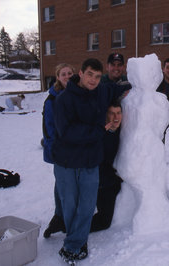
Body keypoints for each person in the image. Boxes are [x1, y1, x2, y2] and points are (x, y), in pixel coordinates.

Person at [52, 58, 126, 264]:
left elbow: (115, 88)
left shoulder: (102, 90)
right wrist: (98, 130)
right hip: (67, 161)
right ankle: (75, 242)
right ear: (81, 74)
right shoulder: (65, 99)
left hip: (91, 160)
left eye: (97, 76)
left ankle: (74, 243)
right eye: (90, 75)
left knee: (86, 206)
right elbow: (65, 132)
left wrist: (134, 87)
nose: (93, 80)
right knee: (71, 205)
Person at [43, 63, 75, 238]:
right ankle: (60, 217)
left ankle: (63, 215)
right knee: (63, 185)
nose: (68, 76)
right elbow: (49, 128)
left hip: (76, 149)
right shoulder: (52, 100)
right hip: (61, 151)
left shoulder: (77, 93)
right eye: (64, 74)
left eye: (70, 73)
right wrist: (55, 150)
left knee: (67, 185)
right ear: (57, 77)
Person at [90, 101, 123, 232]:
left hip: (112, 177)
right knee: (104, 221)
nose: (115, 117)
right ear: (106, 115)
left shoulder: (122, 131)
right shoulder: (100, 134)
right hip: (101, 181)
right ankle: (73, 228)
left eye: (118, 113)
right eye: (111, 113)